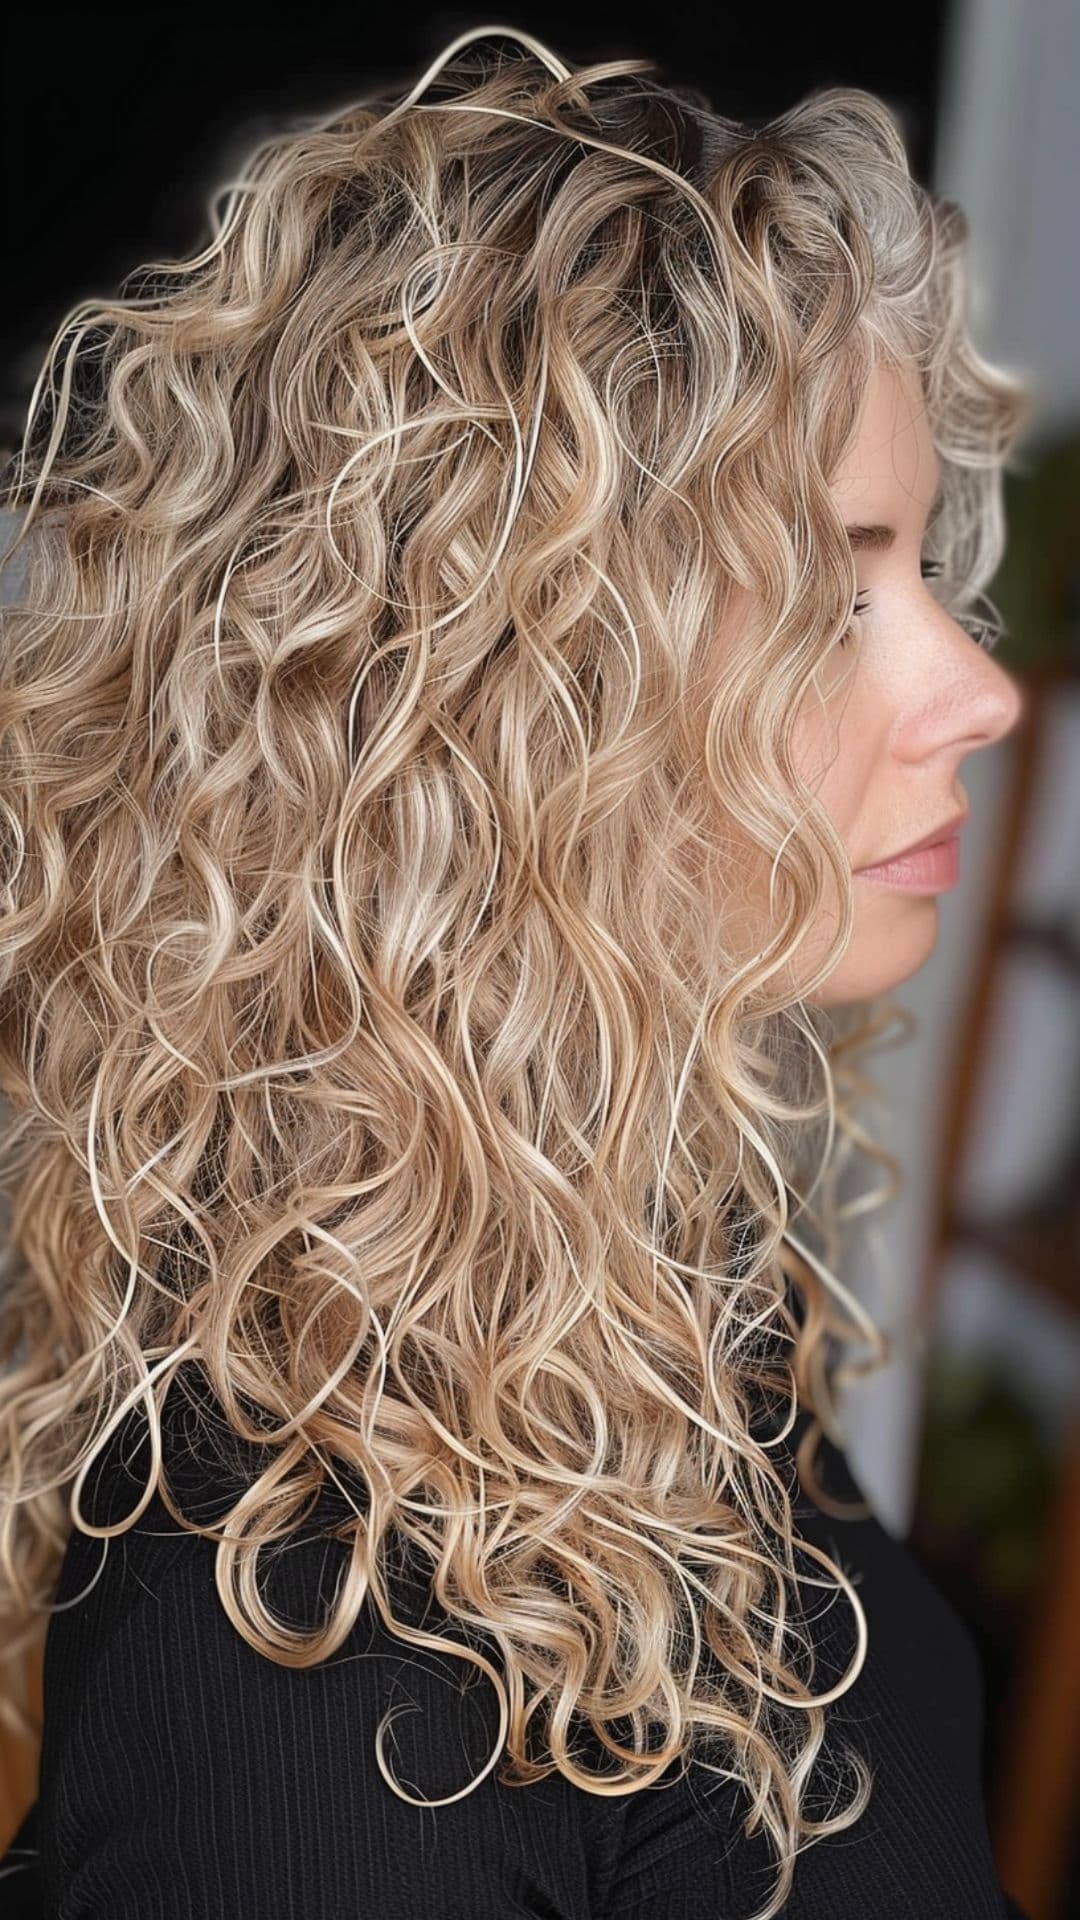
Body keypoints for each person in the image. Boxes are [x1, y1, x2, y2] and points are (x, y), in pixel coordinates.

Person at [0, 23, 1034, 1919]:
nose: (973, 690)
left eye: (924, 576)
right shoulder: (307, 1657)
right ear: (512, 720)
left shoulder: (633, 1290)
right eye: (830, 594)